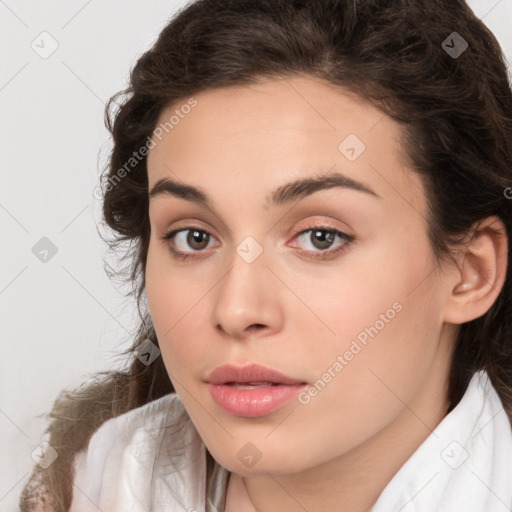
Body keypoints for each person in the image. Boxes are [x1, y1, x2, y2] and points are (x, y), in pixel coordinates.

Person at [19, 0, 512, 510]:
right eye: (193, 237)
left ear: (470, 273)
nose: (236, 310)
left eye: (321, 237)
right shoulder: (99, 479)